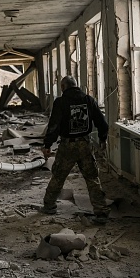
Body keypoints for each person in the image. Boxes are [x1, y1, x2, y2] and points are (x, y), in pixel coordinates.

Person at [40, 75, 110, 224]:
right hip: (85, 144)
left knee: (58, 176)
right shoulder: (89, 100)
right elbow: (102, 123)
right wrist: (103, 139)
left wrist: (47, 145)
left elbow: (54, 126)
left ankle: (49, 205)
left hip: (67, 146)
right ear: (76, 85)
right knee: (92, 178)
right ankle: (101, 212)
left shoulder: (60, 102)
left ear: (63, 87)